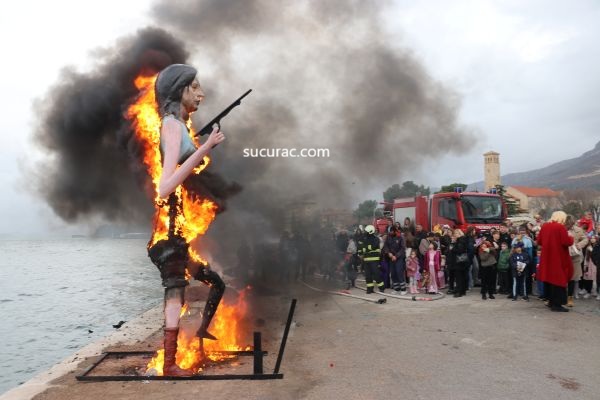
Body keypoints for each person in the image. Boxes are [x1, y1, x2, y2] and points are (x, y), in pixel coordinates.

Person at [148, 64, 226, 376]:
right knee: (174, 293)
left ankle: (191, 343)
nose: (200, 93)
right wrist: (204, 147)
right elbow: (165, 187)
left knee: (213, 283)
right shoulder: (170, 125)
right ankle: (169, 364)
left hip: (176, 228)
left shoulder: (178, 126)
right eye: (193, 87)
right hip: (169, 231)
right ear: (178, 90)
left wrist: (200, 147)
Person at [537, 211, 574, 312]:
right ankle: (557, 304)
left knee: (549, 279)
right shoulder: (560, 227)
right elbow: (566, 242)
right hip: (557, 257)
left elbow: (539, 241)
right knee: (558, 280)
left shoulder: (545, 226)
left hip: (547, 257)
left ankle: (550, 301)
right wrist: (571, 237)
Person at [565, 214, 588, 307]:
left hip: (574, 257)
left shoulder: (578, 230)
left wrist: (579, 245)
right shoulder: (561, 229)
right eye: (568, 224)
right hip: (563, 257)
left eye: (571, 224)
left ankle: (570, 298)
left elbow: (585, 239)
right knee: (562, 278)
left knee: (572, 278)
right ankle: (561, 297)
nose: (569, 226)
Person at [382, 226, 407, 294]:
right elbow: (386, 246)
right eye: (389, 231)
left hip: (399, 257)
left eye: (391, 231)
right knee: (393, 273)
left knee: (399, 272)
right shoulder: (388, 237)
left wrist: (396, 256)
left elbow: (403, 248)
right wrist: (388, 253)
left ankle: (403, 289)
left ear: (395, 231)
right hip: (391, 257)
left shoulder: (400, 237)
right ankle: (397, 289)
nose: (390, 233)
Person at [361, 225, 385, 293]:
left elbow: (373, 247)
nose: (365, 233)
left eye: (366, 231)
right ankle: (370, 288)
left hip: (374, 260)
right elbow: (363, 248)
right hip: (366, 260)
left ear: (370, 231)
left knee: (376, 274)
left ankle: (381, 287)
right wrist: (368, 248)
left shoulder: (376, 239)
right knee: (368, 276)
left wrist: (367, 248)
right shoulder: (365, 239)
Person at [450, 229, 469, 297]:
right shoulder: (463, 240)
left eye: (456, 233)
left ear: (459, 234)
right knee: (462, 276)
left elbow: (459, 250)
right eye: (454, 234)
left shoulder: (460, 241)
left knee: (459, 277)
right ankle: (462, 291)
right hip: (463, 261)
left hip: (459, 262)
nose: (455, 235)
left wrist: (452, 249)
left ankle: (459, 292)